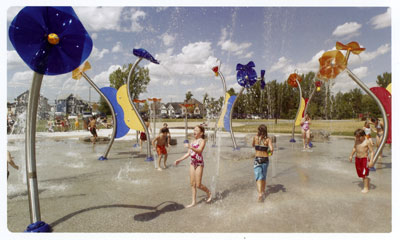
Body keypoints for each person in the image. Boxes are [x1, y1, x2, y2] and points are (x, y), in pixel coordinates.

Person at [175, 125, 212, 208]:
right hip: (192, 163)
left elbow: (199, 151)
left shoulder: (202, 141)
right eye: (194, 130)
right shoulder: (192, 141)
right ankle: (193, 202)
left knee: (198, 184)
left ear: (201, 133)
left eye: (196, 130)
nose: (194, 131)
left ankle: (208, 192)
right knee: (192, 184)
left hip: (199, 164)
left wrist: (190, 146)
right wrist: (179, 160)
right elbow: (188, 153)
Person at [252, 124, 274, 202]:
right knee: (263, 176)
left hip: (257, 159)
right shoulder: (268, 139)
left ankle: (260, 194)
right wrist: (267, 152)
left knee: (258, 177)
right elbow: (271, 151)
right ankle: (263, 191)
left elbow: (253, 145)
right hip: (265, 159)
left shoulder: (255, 137)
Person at [349, 129, 374, 193]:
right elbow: (355, 147)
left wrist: (371, 161)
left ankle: (366, 188)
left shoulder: (367, 142)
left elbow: (372, 152)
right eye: (356, 137)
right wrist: (351, 155)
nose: (357, 138)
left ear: (363, 136)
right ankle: (367, 180)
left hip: (364, 159)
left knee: (364, 174)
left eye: (358, 137)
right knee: (360, 174)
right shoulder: (356, 140)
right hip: (357, 159)